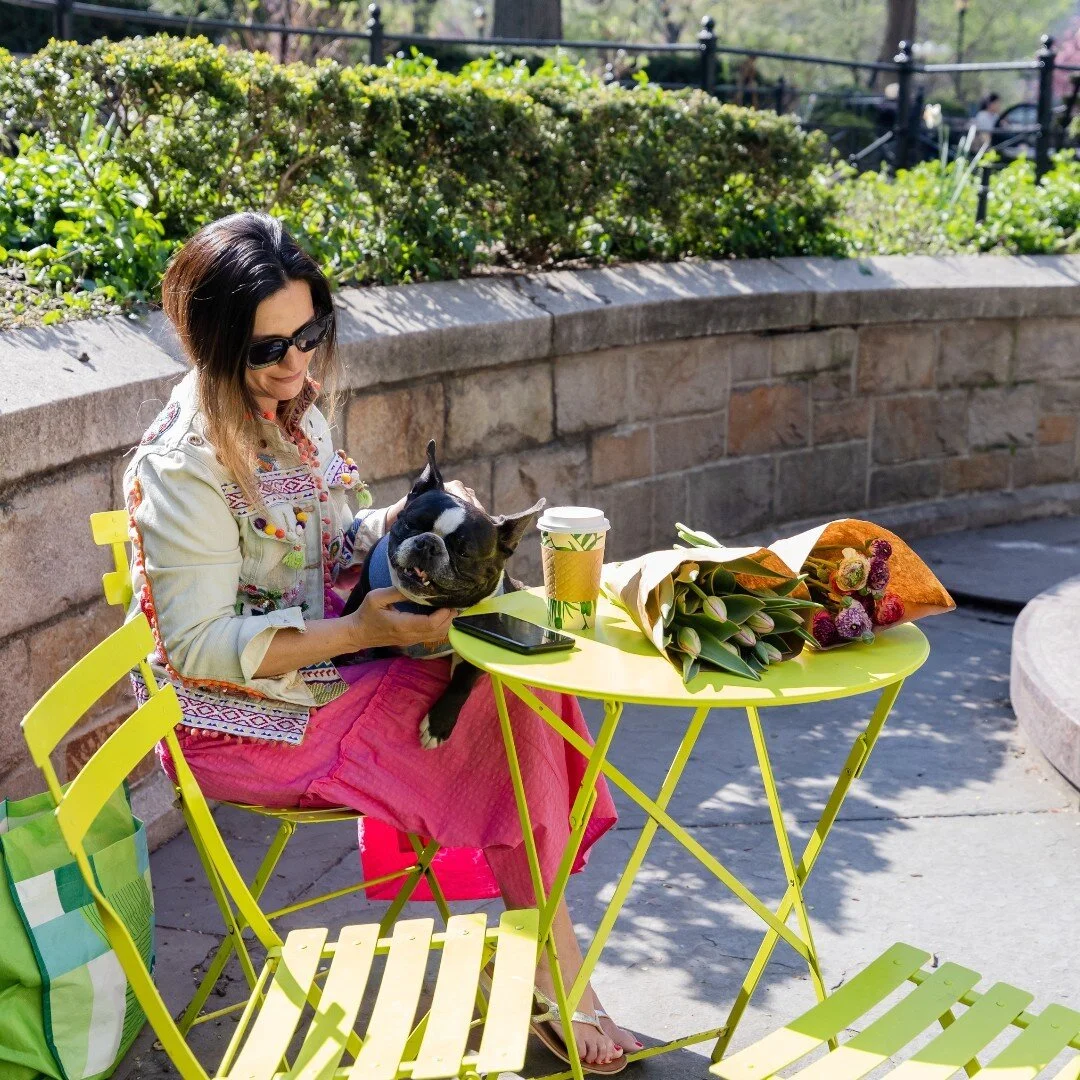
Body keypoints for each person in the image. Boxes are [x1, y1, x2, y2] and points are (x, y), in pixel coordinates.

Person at [123, 211, 636, 1072]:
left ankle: (542, 952)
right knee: (503, 718)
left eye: (311, 333)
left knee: (518, 687)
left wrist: (397, 519)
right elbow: (200, 648)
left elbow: (324, 538)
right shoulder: (184, 467)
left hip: (325, 665)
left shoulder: (290, 412)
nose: (296, 363)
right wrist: (360, 629)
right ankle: (554, 972)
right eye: (268, 348)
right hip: (235, 719)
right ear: (212, 348)